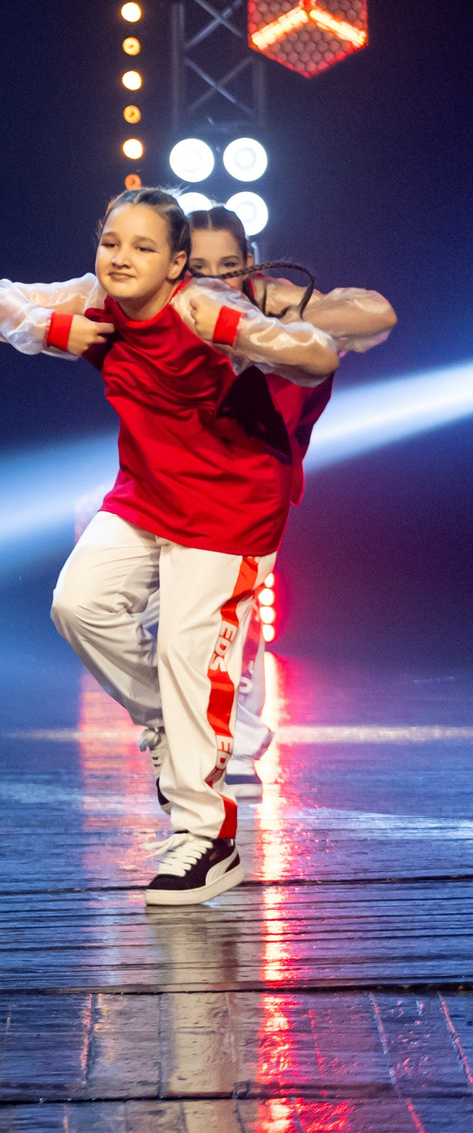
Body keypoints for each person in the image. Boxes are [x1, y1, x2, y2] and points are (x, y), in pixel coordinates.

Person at [0, 187, 340, 905]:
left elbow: (318, 352)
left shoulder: (200, 308)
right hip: (146, 494)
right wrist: (48, 329)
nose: (120, 258)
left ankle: (208, 838)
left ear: (178, 263)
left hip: (228, 509)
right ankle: (168, 727)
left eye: (142, 248)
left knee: (185, 649)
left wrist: (244, 335)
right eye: (112, 241)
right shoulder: (95, 297)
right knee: (77, 604)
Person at [181, 206, 396, 799]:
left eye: (228, 265)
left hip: (255, 484)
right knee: (149, 621)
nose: (214, 278)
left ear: (251, 263)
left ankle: (238, 746)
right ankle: (198, 734)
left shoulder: (281, 308)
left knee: (231, 620)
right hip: (175, 480)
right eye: (198, 266)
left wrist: (286, 308)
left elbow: (379, 314)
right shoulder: (170, 307)